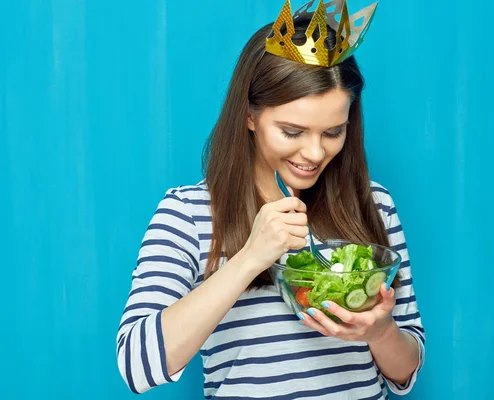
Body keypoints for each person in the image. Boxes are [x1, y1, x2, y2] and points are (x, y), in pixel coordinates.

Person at [116, 0, 425, 398]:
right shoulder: (189, 215)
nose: (315, 153)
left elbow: (406, 372)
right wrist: (250, 257)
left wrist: (381, 331)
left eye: (333, 132)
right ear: (250, 115)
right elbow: (137, 366)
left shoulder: (373, 203)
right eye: (292, 132)